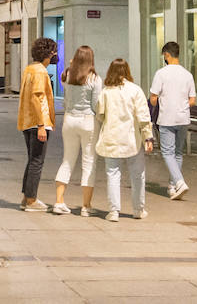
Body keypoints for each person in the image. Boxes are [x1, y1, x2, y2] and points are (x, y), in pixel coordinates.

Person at [94, 58, 153, 222]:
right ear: (127, 71)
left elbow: (100, 115)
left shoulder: (105, 92)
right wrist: (148, 137)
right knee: (137, 175)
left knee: (113, 175)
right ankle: (138, 209)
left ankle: (113, 211)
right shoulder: (135, 90)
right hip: (132, 140)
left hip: (111, 140)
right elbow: (143, 116)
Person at [53, 45, 101, 216]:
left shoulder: (66, 75)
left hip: (69, 120)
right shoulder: (94, 79)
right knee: (89, 162)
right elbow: (96, 104)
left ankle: (59, 202)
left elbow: (64, 90)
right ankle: (86, 206)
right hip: (88, 121)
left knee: (67, 160)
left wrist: (71, 64)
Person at [149, 41, 196, 200]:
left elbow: (153, 98)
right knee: (177, 153)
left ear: (167, 55)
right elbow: (192, 100)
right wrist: (181, 105)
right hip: (183, 118)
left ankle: (180, 182)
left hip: (167, 118)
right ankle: (172, 186)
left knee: (167, 152)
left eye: (164, 56)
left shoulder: (161, 74)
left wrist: (159, 103)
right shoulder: (187, 74)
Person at [17, 37, 58, 212]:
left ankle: (27, 197)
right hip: (38, 122)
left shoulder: (29, 69)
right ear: (48, 54)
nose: (56, 55)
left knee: (32, 160)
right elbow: (36, 97)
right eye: (54, 51)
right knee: (37, 162)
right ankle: (31, 200)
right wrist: (42, 124)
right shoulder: (40, 72)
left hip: (27, 121)